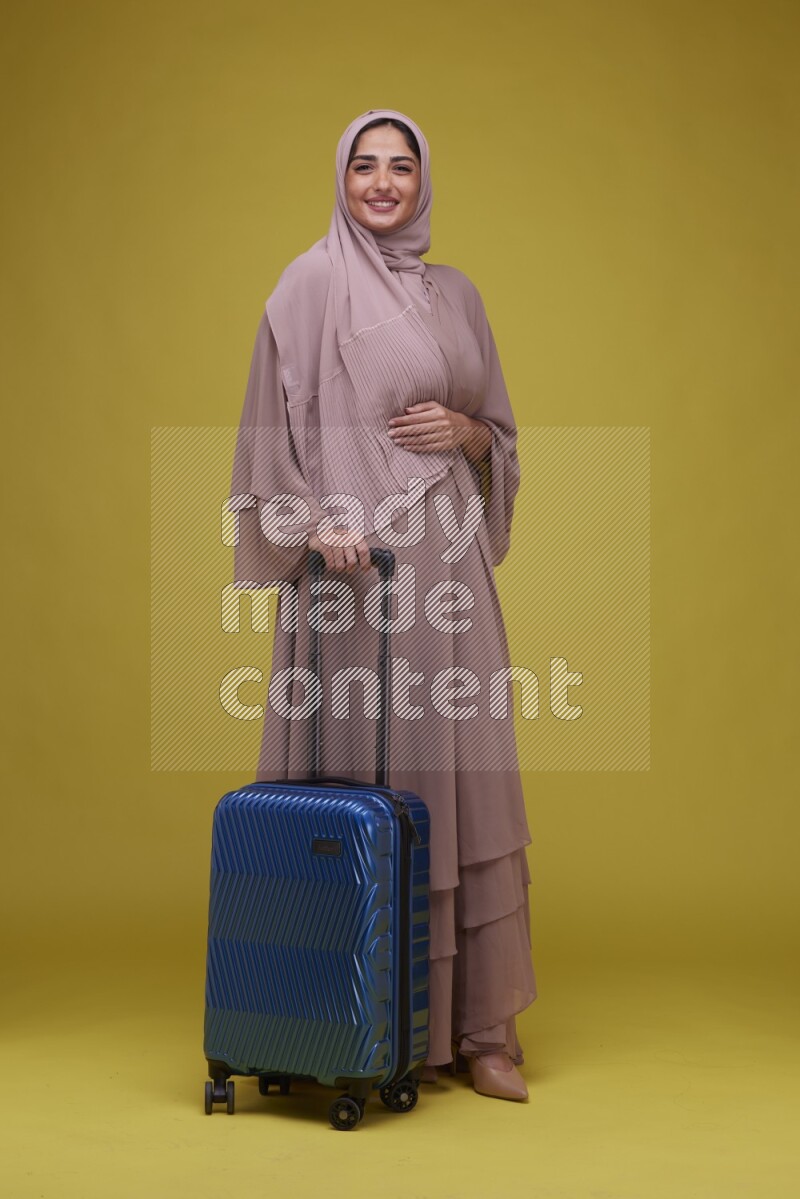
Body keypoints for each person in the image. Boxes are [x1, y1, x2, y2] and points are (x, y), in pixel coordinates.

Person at [229, 108, 536, 1102]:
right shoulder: (308, 282)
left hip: (444, 557)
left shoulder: (456, 295)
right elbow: (265, 429)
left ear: (422, 181)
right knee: (355, 777)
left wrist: (470, 432)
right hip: (349, 572)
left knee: (464, 770)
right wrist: (310, 521)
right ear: (341, 176)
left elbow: (495, 430)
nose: (381, 181)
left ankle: (476, 1026)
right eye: (364, 164)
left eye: (400, 166)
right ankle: (337, 1012)